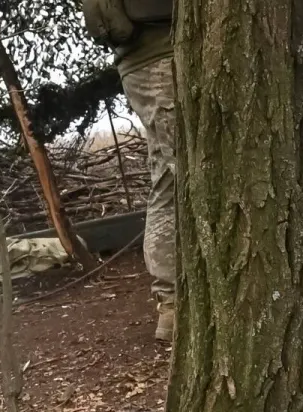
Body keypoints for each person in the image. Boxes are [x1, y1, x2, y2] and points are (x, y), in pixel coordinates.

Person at [84, 0, 175, 343]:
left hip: (148, 59)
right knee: (176, 179)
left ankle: (174, 304)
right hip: (160, 56)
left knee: (169, 176)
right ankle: (173, 305)